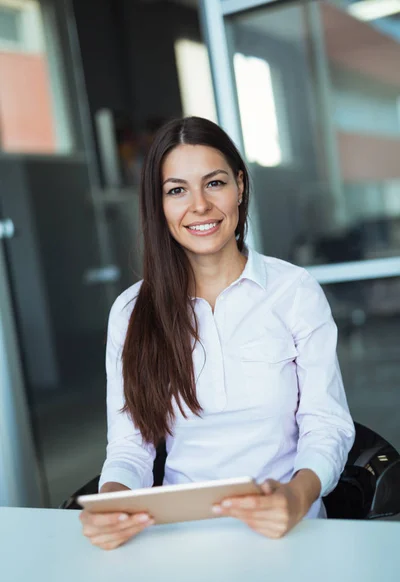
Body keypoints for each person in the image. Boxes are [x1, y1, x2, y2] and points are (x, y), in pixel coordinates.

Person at [80, 116, 355, 550]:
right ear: (159, 205)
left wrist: (297, 497)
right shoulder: (133, 312)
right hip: (179, 539)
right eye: (176, 190)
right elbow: (130, 447)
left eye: (214, 183)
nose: (200, 206)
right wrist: (111, 504)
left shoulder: (293, 291)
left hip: (291, 528)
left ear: (240, 187)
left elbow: (326, 424)